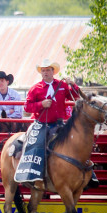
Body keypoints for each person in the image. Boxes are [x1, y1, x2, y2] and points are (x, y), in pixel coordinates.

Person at [15, 59, 97, 187]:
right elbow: (26, 107)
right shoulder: (35, 89)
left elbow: (75, 96)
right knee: (36, 145)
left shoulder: (62, 85)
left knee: (77, 142)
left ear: (53, 71)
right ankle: (31, 175)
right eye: (43, 70)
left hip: (59, 123)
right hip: (41, 124)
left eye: (48, 70)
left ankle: (89, 175)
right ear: (41, 72)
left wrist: (73, 84)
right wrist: (40, 104)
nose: (45, 72)